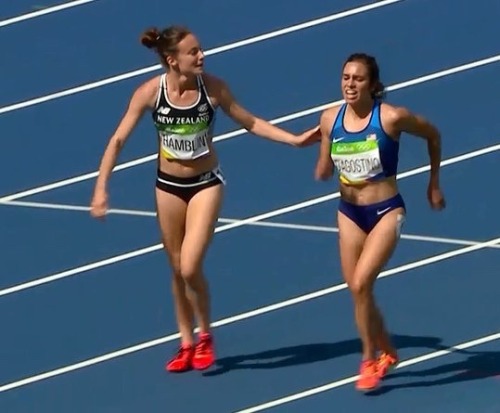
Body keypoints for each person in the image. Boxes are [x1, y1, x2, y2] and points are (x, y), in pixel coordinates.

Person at [89, 25, 320, 373]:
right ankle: (185, 341)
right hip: (167, 186)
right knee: (176, 269)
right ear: (172, 60)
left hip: (205, 184)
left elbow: (250, 122)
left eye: (200, 50)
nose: (201, 56)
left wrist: (294, 140)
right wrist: (101, 187)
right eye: (193, 52)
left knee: (189, 265)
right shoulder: (151, 93)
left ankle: (206, 333)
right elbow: (118, 139)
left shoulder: (212, 89)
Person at [314, 53, 445, 391]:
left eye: (357, 79)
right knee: (358, 290)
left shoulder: (391, 118)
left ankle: (369, 359)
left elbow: (433, 135)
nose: (350, 84)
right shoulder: (330, 119)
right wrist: (324, 167)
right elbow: (326, 158)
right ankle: (388, 351)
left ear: (372, 85)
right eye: (345, 78)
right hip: (349, 213)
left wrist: (433, 183)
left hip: (386, 210)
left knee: (360, 285)